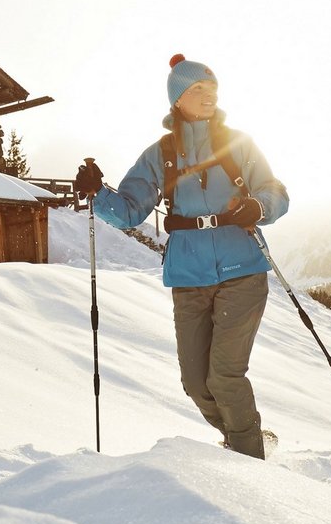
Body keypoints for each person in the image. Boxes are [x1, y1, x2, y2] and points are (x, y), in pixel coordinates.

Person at [90, 55, 290, 459]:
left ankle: (251, 463)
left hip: (242, 271)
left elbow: (275, 192)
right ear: (177, 98)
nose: (208, 95)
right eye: (197, 89)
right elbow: (129, 210)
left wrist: (259, 207)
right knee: (196, 383)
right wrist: (97, 193)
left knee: (226, 377)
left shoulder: (239, 144)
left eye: (212, 88)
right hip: (188, 275)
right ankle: (245, 435)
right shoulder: (160, 154)